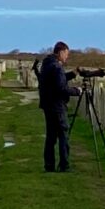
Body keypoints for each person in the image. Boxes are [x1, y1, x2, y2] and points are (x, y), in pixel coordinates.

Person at [34, 40, 79, 173]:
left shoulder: (47, 64)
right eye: (66, 54)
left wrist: (72, 74)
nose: (67, 57)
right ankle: (64, 165)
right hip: (57, 105)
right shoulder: (57, 67)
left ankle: (49, 166)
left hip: (47, 105)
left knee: (51, 137)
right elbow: (61, 88)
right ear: (60, 52)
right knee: (63, 135)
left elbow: (56, 80)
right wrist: (77, 91)